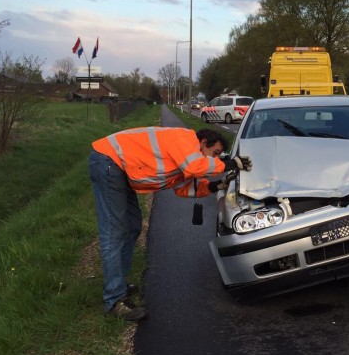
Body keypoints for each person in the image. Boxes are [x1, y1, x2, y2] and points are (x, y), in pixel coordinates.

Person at [88, 127, 252, 321]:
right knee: (115, 233)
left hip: (119, 168)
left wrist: (216, 185)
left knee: (131, 227)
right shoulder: (185, 139)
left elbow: (183, 187)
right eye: (214, 154)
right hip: (108, 161)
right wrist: (230, 164)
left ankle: (118, 285)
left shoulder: (183, 158)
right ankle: (115, 299)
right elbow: (195, 167)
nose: (214, 160)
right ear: (203, 143)